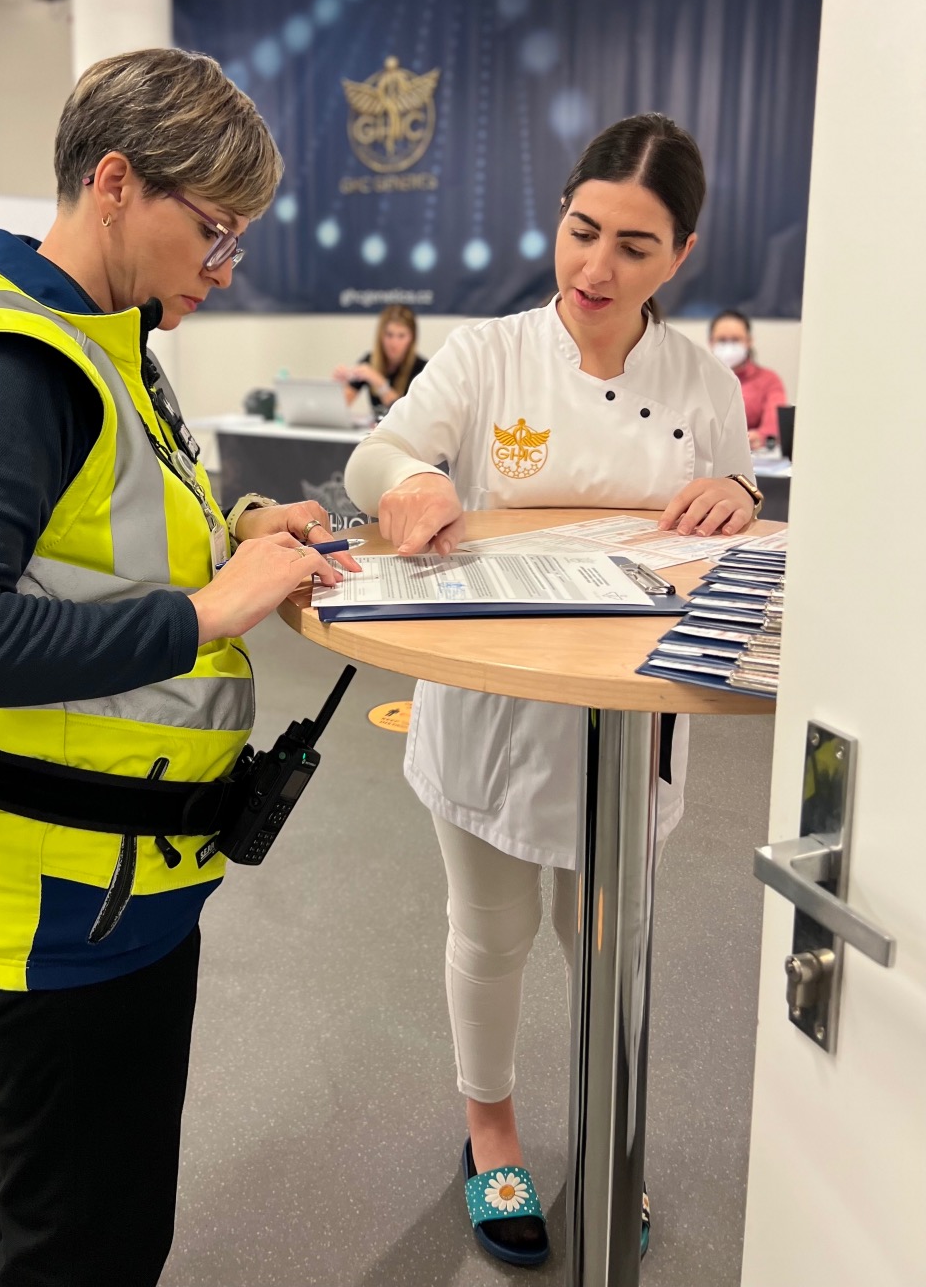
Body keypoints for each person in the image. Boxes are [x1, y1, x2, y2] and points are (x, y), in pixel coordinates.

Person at [0, 47, 360, 1287]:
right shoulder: (9, 369)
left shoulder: (111, 338)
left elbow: (96, 548)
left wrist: (241, 530)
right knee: (77, 1247)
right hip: (52, 906)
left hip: (125, 882)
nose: (224, 268)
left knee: (112, 1224)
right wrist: (205, 612)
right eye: (214, 230)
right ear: (117, 182)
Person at [344, 113, 762, 1269]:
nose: (596, 267)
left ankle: (611, 1138)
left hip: (631, 721)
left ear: (681, 253)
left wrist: (734, 492)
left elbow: (736, 489)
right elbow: (373, 456)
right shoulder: (489, 355)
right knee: (493, 932)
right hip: (493, 713)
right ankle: (491, 1131)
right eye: (583, 230)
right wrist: (412, 479)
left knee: (607, 943)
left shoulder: (701, 381)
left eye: (635, 245)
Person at [708, 308, 788, 450]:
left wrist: (760, 437)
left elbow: (773, 425)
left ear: (749, 341)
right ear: (711, 342)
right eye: (722, 340)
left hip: (751, 456)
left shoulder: (769, 380)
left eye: (735, 340)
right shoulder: (698, 379)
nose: (728, 347)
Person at [332, 304, 427, 416]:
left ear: (412, 337)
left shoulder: (422, 369)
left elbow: (407, 415)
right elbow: (340, 407)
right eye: (389, 335)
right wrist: (339, 386)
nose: (394, 343)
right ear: (381, 335)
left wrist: (380, 384)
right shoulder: (369, 361)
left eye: (401, 336)